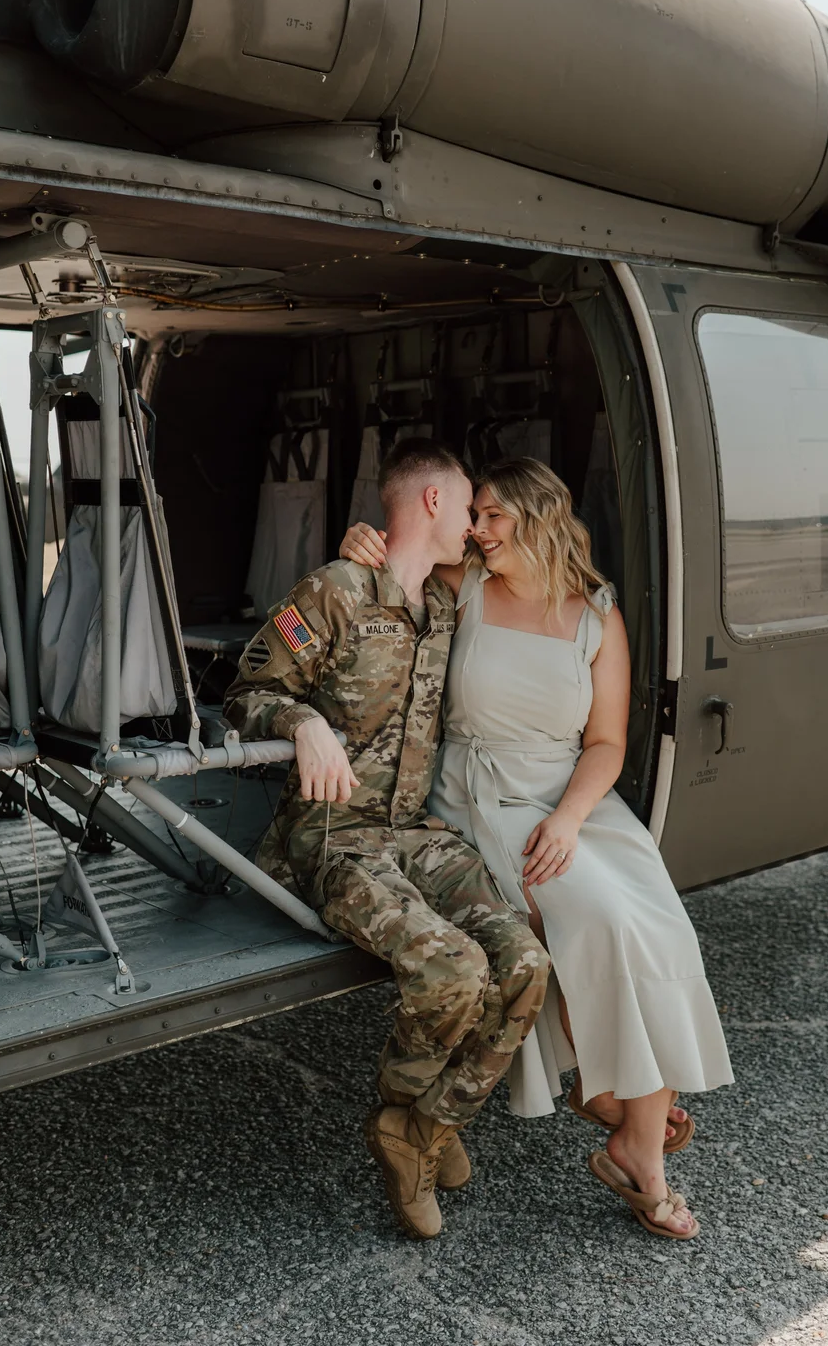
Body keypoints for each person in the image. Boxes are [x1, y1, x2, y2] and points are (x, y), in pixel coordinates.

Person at [340, 456, 733, 1241]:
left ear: (539, 518)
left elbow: (608, 740)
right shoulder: (468, 584)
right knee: (597, 916)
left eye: (492, 516)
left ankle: (628, 1126)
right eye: (474, 515)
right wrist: (361, 544)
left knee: (659, 924)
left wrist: (570, 818)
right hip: (482, 794)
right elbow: (404, 555)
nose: (476, 530)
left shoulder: (597, 614)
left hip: (573, 800)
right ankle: (636, 1144)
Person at [223, 439, 550, 1242]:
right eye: (467, 503)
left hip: (414, 835)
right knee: (454, 969)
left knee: (526, 961)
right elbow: (245, 691)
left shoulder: (443, 605)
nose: (476, 523)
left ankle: (421, 1126)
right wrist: (301, 722)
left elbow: (544, 571)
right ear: (432, 500)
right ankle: (417, 1123)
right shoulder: (335, 591)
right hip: (334, 839)